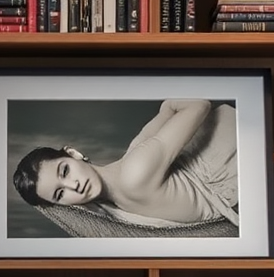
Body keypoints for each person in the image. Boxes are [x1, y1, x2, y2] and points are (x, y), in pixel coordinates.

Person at [12, 97, 239, 229]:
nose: (74, 186)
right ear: (61, 206)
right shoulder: (124, 183)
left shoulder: (135, 170)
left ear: (74, 154)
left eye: (65, 171)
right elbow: (169, 109)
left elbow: (198, 104)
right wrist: (168, 106)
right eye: (60, 194)